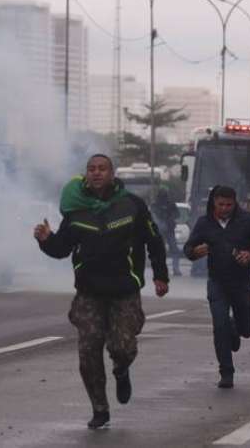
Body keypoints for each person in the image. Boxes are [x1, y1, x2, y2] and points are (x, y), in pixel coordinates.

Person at [34, 154, 169, 430]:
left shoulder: (132, 205)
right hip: (89, 291)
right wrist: (45, 240)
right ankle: (99, 409)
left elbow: (154, 240)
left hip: (124, 289)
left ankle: (121, 369)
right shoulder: (76, 211)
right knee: (88, 351)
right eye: (91, 169)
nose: (96, 173)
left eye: (102, 169)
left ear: (112, 173)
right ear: (86, 175)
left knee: (123, 347)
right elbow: (62, 248)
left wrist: (160, 276)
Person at [184, 186, 250, 389]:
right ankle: (226, 372)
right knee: (219, 326)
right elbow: (188, 248)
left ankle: (236, 328)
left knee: (246, 330)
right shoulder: (204, 223)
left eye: (229, 205)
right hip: (217, 283)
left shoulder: (247, 220)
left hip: (242, 283)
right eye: (221, 204)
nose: (225, 208)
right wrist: (194, 252)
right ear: (213, 203)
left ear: (235, 203)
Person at [151, 188, 183, 277]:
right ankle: (161, 269)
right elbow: (152, 216)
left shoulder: (171, 205)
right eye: (163, 195)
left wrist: (170, 218)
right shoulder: (155, 205)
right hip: (160, 230)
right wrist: (160, 222)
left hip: (169, 230)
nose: (164, 197)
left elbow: (177, 214)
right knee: (160, 250)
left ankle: (175, 269)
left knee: (174, 250)